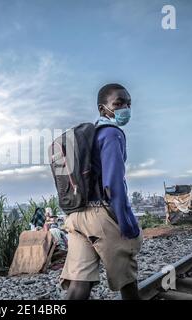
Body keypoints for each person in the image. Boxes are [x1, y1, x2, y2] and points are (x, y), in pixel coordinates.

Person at [60, 83, 143, 300]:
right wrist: (126, 223)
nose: (125, 108)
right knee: (127, 280)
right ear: (102, 108)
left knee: (79, 285)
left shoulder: (87, 137)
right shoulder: (111, 134)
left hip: (77, 216)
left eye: (128, 103)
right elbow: (113, 184)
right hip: (102, 217)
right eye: (118, 103)